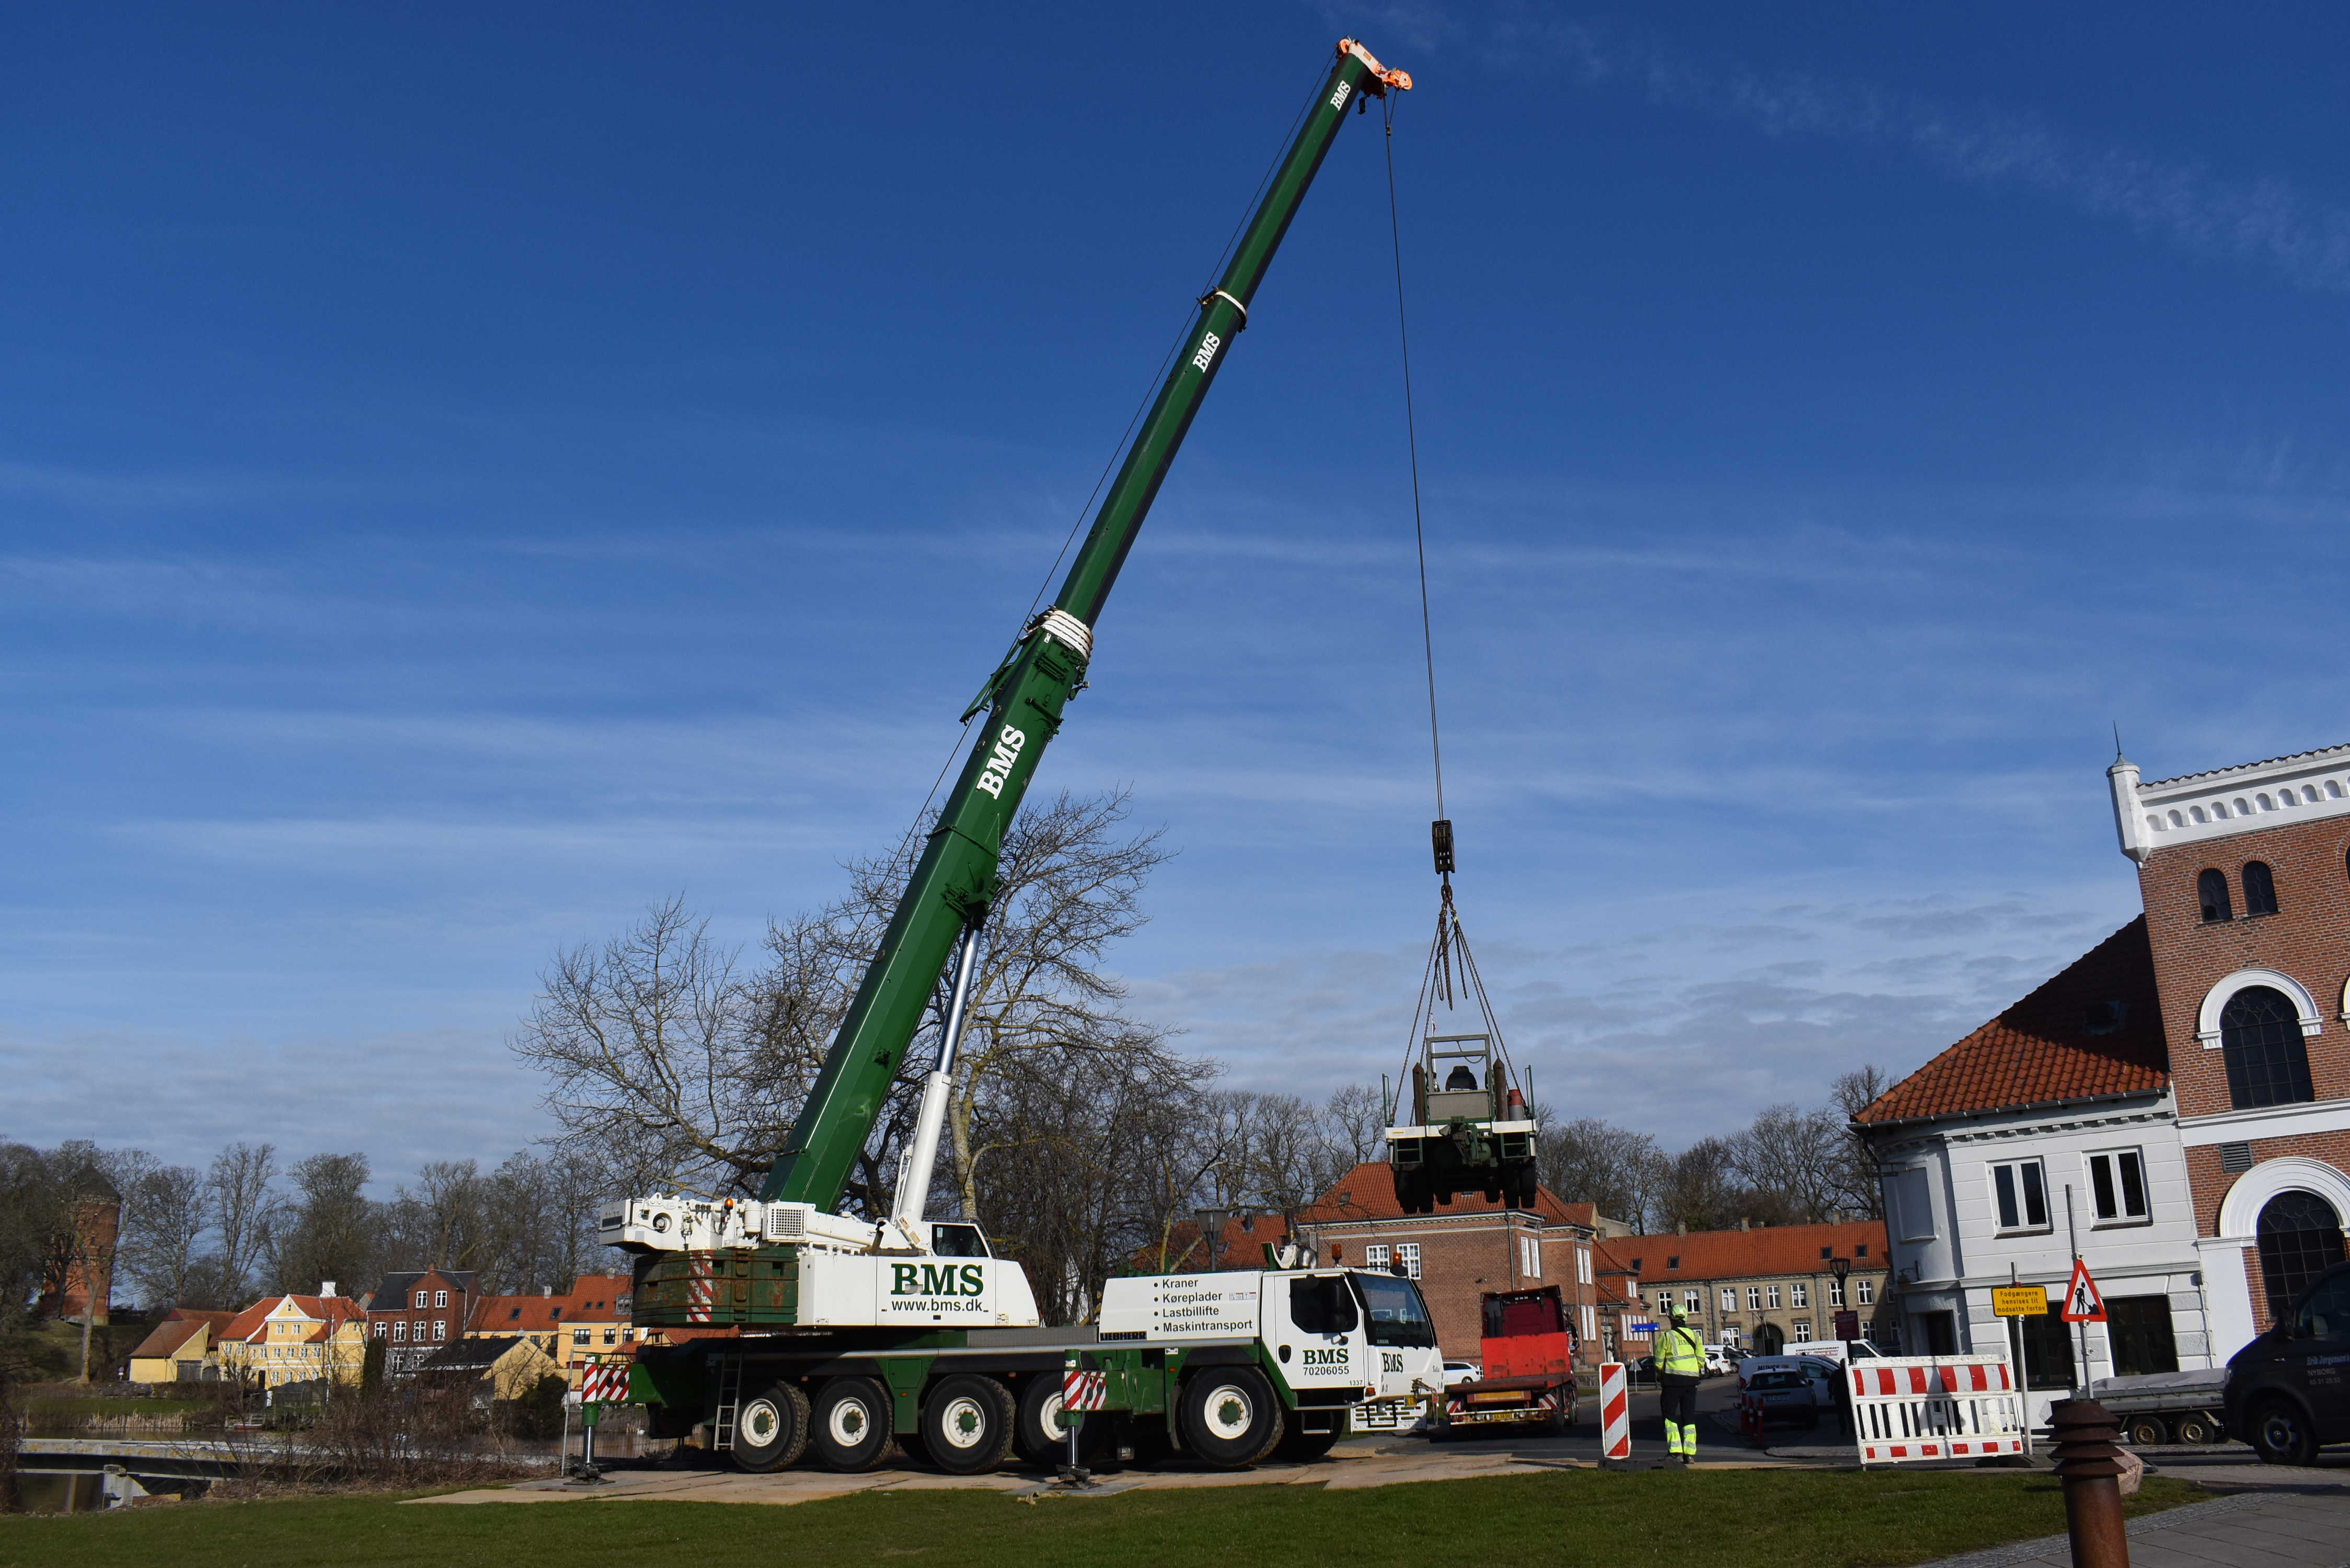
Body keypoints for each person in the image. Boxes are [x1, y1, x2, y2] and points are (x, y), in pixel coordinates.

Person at [1655, 1308, 1707, 1466]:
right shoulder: (1695, 1336)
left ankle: (1675, 1452)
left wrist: (1660, 1376)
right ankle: (1690, 1454)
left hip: (1672, 1382)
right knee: (1689, 1418)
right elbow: (1701, 1360)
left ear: (1671, 1319)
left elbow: (1658, 1361)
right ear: (1685, 1318)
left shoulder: (1667, 1336)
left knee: (1670, 1417)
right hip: (1691, 1382)